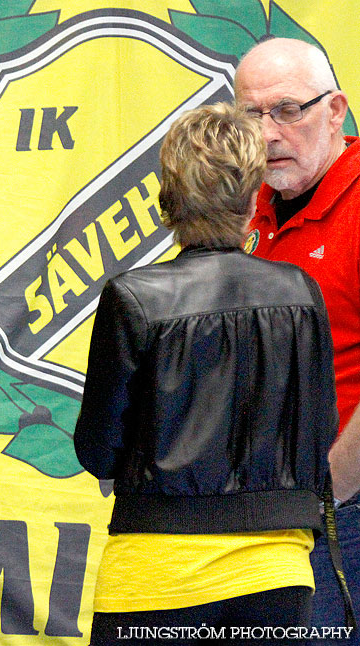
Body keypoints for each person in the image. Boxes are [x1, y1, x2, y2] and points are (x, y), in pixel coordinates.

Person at [74, 102, 338, 646]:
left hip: (156, 573)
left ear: (167, 201)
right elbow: (318, 432)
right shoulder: (301, 293)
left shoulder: (133, 298)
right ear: (251, 198)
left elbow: (98, 451)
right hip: (279, 575)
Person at [235, 37, 360, 638]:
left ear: (335, 110)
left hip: (340, 514)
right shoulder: (244, 205)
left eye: (287, 111)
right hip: (257, 513)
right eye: (249, 115)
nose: (265, 135)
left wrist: (330, 493)